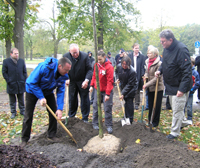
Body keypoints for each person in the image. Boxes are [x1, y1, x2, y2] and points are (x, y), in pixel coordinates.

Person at [21, 57, 72, 147]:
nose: (67, 73)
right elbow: (32, 83)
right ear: (60, 66)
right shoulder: (44, 67)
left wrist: (60, 108)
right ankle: (24, 139)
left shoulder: (64, 75)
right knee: (28, 115)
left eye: (68, 70)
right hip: (32, 90)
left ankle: (51, 135)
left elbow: (60, 91)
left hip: (48, 91)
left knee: (54, 112)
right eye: (66, 70)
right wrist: (41, 97)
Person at [155, 29, 192, 139]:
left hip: (179, 85)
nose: (162, 44)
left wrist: (182, 89)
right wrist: (160, 70)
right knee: (176, 107)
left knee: (177, 110)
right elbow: (164, 63)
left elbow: (187, 71)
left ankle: (174, 132)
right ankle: (184, 122)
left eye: (163, 41)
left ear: (171, 40)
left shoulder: (181, 49)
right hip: (170, 85)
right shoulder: (166, 49)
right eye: (161, 41)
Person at [63, 44, 93, 122]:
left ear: (79, 49)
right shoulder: (65, 57)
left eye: (76, 52)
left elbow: (90, 70)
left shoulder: (85, 56)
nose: (75, 54)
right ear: (70, 52)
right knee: (72, 99)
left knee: (84, 99)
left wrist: (86, 80)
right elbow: (63, 69)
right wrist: (66, 78)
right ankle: (71, 117)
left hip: (83, 81)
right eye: (73, 53)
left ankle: (85, 118)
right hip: (71, 81)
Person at [89, 50, 114, 133]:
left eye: (100, 59)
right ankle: (95, 123)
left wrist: (107, 94)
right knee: (96, 106)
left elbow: (110, 81)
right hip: (97, 90)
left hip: (107, 90)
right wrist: (92, 85)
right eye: (97, 59)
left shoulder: (109, 67)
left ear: (104, 57)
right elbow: (94, 76)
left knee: (107, 107)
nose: (98, 61)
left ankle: (109, 125)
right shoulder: (96, 65)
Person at [2, 48, 27, 119]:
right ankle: (13, 112)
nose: (17, 55)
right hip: (11, 84)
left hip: (20, 83)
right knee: (12, 100)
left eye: (17, 53)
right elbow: (4, 72)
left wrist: (24, 79)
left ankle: (22, 111)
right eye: (15, 53)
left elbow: (24, 71)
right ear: (11, 54)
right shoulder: (6, 61)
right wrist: (8, 80)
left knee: (21, 99)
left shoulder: (21, 61)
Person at [143, 46, 164, 127]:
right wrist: (145, 76)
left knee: (157, 106)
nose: (148, 54)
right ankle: (150, 120)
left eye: (150, 53)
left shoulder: (159, 63)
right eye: (148, 53)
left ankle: (155, 122)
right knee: (151, 105)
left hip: (158, 87)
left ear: (155, 54)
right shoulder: (147, 61)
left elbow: (156, 78)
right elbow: (147, 72)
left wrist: (146, 85)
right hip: (150, 88)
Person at [115, 56, 138, 124]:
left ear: (129, 64)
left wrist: (123, 93)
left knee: (129, 102)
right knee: (126, 102)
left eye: (126, 64)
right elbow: (116, 72)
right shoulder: (119, 66)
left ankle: (130, 118)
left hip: (131, 87)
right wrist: (117, 78)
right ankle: (126, 116)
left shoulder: (132, 71)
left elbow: (130, 85)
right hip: (124, 86)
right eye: (123, 64)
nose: (124, 66)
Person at [128, 43, 145, 110]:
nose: (137, 49)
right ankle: (130, 102)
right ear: (133, 49)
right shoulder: (129, 56)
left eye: (138, 48)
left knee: (137, 90)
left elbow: (142, 67)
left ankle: (137, 104)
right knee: (130, 89)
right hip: (130, 75)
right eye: (135, 48)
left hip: (138, 75)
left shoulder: (142, 57)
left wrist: (142, 74)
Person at [184, 57, 200, 125]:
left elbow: (197, 83)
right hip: (184, 92)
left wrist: (192, 89)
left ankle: (189, 118)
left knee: (189, 106)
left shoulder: (195, 73)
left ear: (193, 64)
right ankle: (183, 118)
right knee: (183, 105)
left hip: (190, 92)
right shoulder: (185, 71)